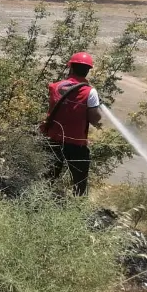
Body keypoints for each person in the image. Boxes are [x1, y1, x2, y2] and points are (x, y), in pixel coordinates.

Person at [41, 52, 103, 196]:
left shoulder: (55, 86)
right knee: (79, 181)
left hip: (52, 139)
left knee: (47, 178)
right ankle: (77, 207)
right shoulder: (90, 92)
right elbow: (95, 119)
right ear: (88, 71)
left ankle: (40, 202)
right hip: (76, 144)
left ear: (71, 68)